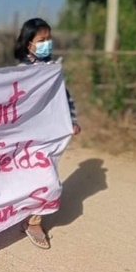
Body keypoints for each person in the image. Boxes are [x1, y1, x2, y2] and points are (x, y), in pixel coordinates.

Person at [14, 17, 81, 250]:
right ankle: (27, 218)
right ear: (28, 43)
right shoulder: (21, 72)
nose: (47, 44)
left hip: (50, 134)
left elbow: (65, 96)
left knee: (47, 177)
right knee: (36, 178)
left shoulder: (53, 69)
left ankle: (33, 220)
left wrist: (72, 119)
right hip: (29, 136)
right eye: (41, 40)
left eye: (49, 39)